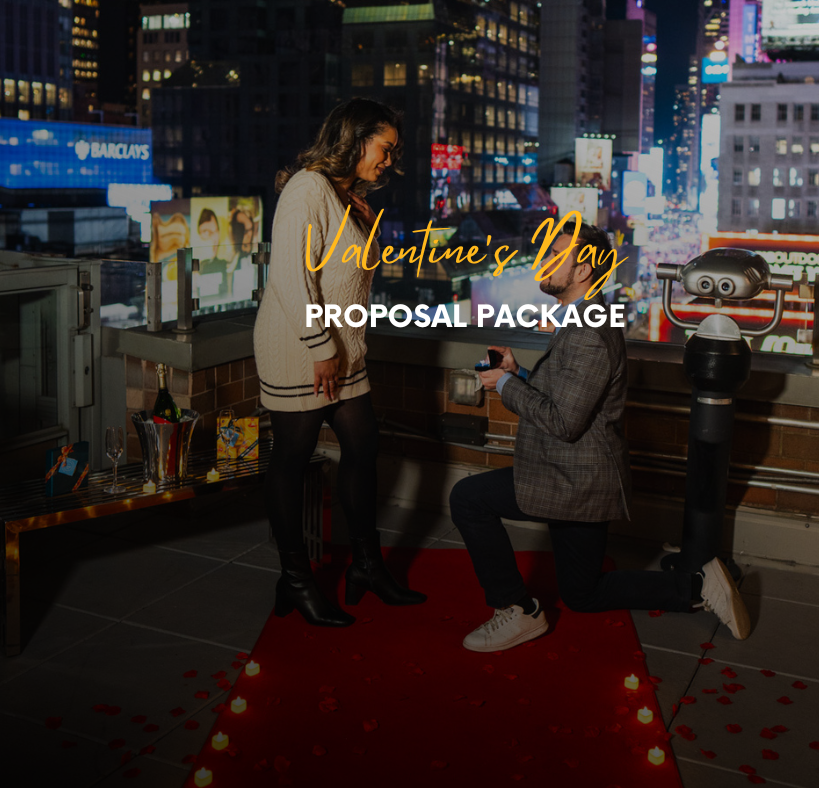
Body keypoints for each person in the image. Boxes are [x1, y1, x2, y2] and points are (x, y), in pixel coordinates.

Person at [449, 224, 751, 652]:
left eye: (555, 255)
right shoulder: (582, 317)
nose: (543, 262)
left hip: (574, 480)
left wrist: (503, 385)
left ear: (582, 270)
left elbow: (564, 422)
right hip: (576, 474)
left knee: (468, 498)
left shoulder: (588, 332)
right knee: (583, 593)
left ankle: (516, 609)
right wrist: (517, 374)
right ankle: (698, 587)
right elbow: (571, 398)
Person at [254, 99, 425, 627]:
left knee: (363, 447)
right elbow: (289, 275)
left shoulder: (347, 195)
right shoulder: (308, 188)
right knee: (292, 459)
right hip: (303, 350)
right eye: (385, 148)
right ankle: (296, 582)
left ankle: (367, 567)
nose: (391, 160)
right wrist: (320, 346)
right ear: (355, 138)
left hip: (344, 351)